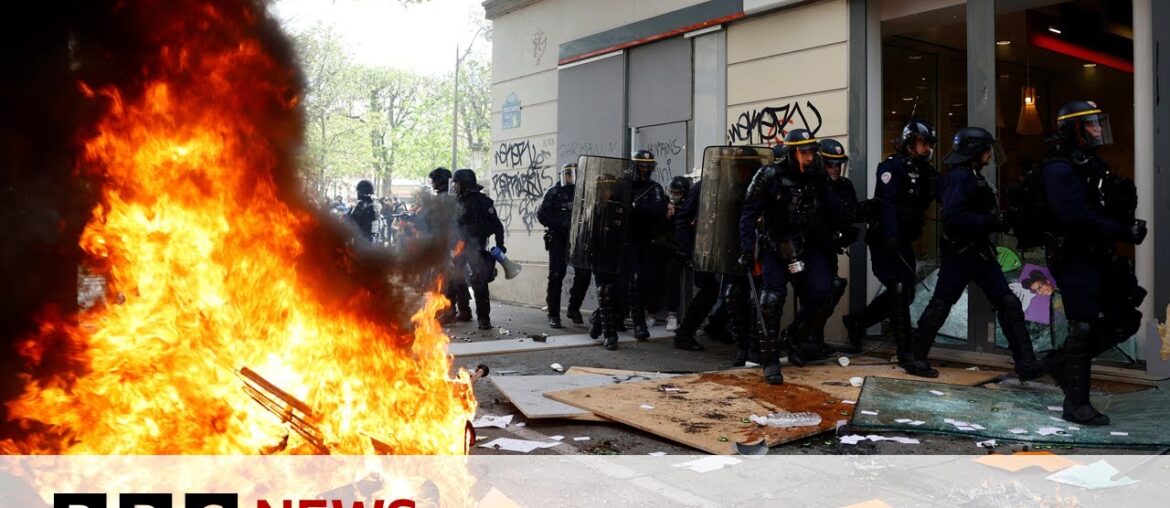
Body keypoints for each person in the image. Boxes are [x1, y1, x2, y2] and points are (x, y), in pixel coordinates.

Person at [1039, 100, 1148, 425]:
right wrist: (1123, 231)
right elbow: (1076, 217)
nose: (1099, 130)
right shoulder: (1058, 168)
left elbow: (1102, 206)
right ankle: (1076, 404)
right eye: (1092, 124)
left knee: (1125, 317)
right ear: (1075, 128)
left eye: (1099, 123)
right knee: (1083, 324)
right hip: (1073, 257)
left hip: (1099, 254)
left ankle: (1061, 363)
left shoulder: (1091, 163)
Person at [906, 127, 1044, 380]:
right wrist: (993, 221)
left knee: (1008, 303)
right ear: (974, 151)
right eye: (987, 150)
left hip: (980, 254)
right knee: (941, 304)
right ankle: (915, 356)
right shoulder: (959, 178)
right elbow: (955, 218)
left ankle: (1026, 362)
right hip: (960, 255)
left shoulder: (973, 175)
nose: (990, 155)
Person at [739, 129, 835, 385]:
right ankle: (769, 360)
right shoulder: (769, 175)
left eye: (813, 152)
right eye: (805, 153)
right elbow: (748, 213)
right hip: (775, 245)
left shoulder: (817, 176)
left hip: (805, 245)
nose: (811, 158)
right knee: (771, 300)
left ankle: (793, 339)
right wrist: (747, 249)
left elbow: (828, 209)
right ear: (793, 153)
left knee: (822, 294)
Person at [842, 120, 939, 357]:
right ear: (909, 144)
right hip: (884, 240)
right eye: (923, 143)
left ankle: (857, 321)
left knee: (906, 292)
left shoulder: (925, 170)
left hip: (903, 241)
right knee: (897, 289)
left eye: (930, 144)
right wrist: (891, 235)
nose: (928, 149)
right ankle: (907, 352)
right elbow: (887, 204)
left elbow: (942, 191)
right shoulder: (891, 167)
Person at [781, 139, 861, 362]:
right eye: (830, 165)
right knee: (816, 295)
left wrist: (847, 232)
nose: (834, 169)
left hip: (829, 249)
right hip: (810, 249)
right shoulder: (812, 184)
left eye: (837, 165)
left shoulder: (844, 186)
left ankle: (812, 339)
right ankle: (796, 338)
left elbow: (848, 213)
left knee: (829, 292)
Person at [537, 163, 592, 328]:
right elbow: (541, 215)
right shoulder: (554, 193)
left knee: (584, 274)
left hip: (579, 240)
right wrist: (561, 223)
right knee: (556, 275)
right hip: (558, 239)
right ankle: (553, 314)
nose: (570, 178)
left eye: (574, 174)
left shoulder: (584, 193)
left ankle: (574, 308)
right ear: (563, 175)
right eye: (568, 174)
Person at [452, 168, 506, 330]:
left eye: (456, 183)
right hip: (460, 247)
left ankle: (484, 318)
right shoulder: (456, 202)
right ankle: (464, 310)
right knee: (456, 278)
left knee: (479, 282)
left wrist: (500, 244)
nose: (454, 186)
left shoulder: (483, 202)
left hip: (477, 247)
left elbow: (497, 226)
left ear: (464, 183)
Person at [626, 150, 669, 340]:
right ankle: (628, 322)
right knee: (622, 284)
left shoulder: (655, 188)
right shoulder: (624, 186)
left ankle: (640, 321)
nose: (644, 170)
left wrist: (636, 208)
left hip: (647, 242)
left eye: (647, 167)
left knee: (644, 281)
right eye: (641, 166)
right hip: (626, 241)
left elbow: (659, 209)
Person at [427, 167, 472, 324]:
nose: (432, 184)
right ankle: (464, 310)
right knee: (457, 277)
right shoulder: (454, 197)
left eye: (433, 181)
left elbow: (438, 223)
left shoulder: (444, 199)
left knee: (447, 279)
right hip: (455, 243)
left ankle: (449, 312)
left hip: (449, 243)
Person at [659, 175, 692, 333]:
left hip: (678, 248)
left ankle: (672, 314)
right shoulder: (664, 204)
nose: (673, 195)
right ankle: (652, 311)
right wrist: (666, 217)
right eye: (671, 192)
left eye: (677, 193)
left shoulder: (689, 207)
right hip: (664, 246)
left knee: (672, 277)